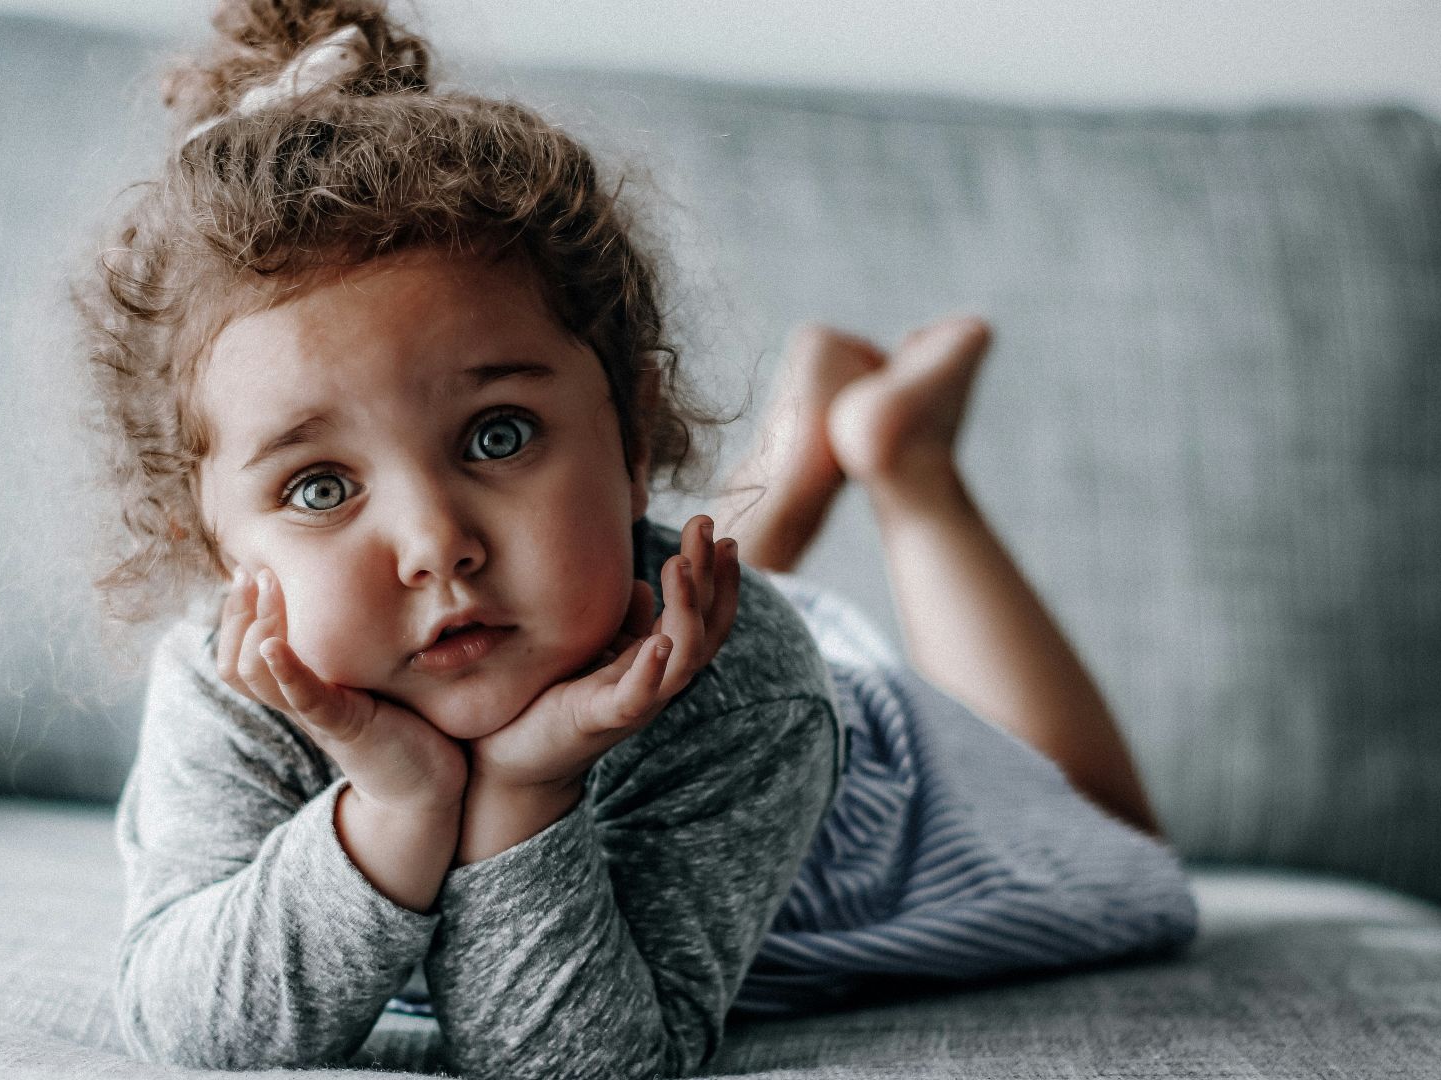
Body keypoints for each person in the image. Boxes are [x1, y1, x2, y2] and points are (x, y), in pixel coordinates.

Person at [77, 2, 1197, 1076]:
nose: (436, 545)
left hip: (864, 789)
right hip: (648, 611)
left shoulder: (750, 697)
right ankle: (805, 456)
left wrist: (521, 792)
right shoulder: (233, 684)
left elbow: (582, 1059)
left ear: (638, 427)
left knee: (1127, 850)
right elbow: (189, 1017)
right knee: (637, 587)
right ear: (214, 545)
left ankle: (911, 469)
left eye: (498, 433)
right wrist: (394, 807)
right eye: (320, 488)